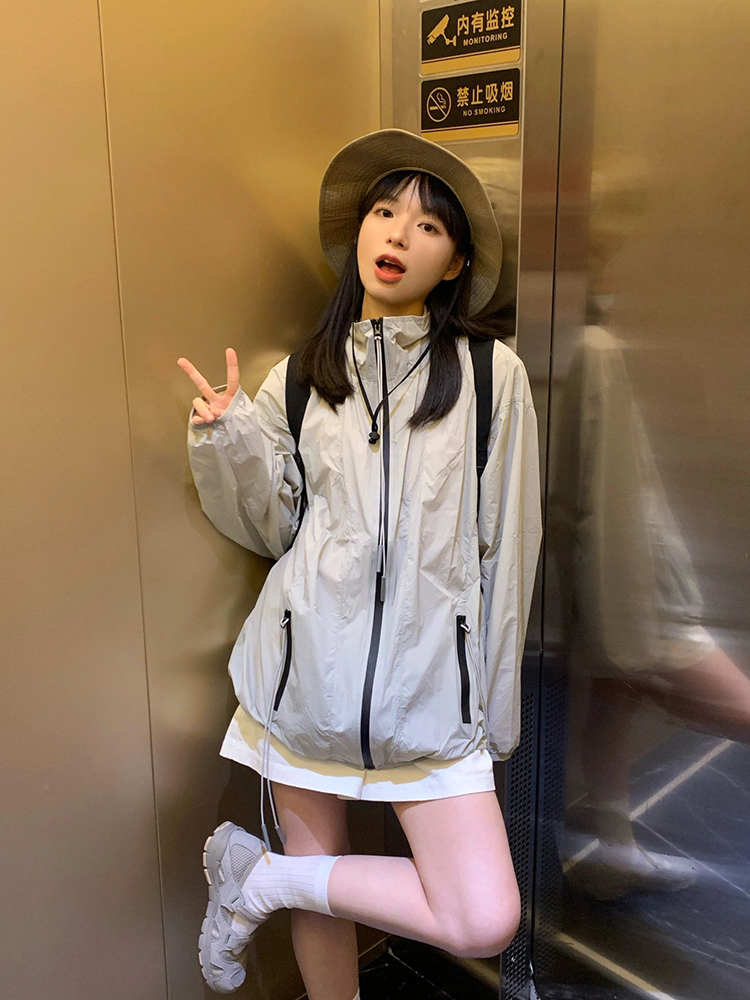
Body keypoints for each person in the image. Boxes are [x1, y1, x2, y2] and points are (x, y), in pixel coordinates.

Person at [177, 128, 543, 997]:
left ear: (456, 263)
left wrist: (492, 711)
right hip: (304, 682)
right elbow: (272, 527)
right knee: (324, 890)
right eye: (385, 213)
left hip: (435, 699)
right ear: (359, 235)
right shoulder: (301, 376)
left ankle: (259, 880)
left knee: (483, 917)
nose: (398, 235)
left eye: (429, 225)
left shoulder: (491, 376)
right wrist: (227, 438)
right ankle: (283, 891)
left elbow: (508, 552)